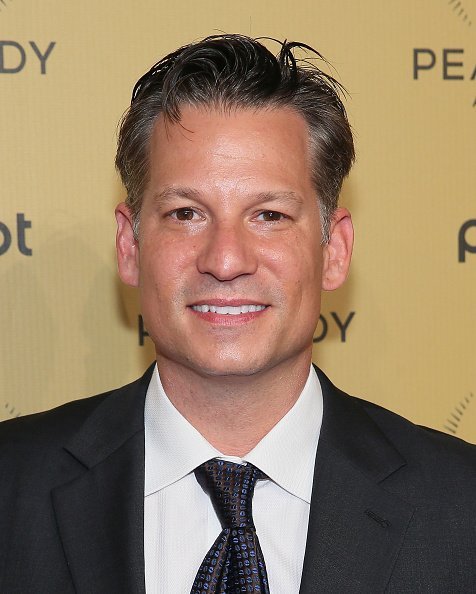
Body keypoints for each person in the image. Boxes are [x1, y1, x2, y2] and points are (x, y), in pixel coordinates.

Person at [0, 34, 475, 594]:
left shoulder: (460, 507)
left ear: (335, 250)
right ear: (129, 245)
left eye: (269, 215)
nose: (225, 261)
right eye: (185, 214)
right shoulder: (11, 487)